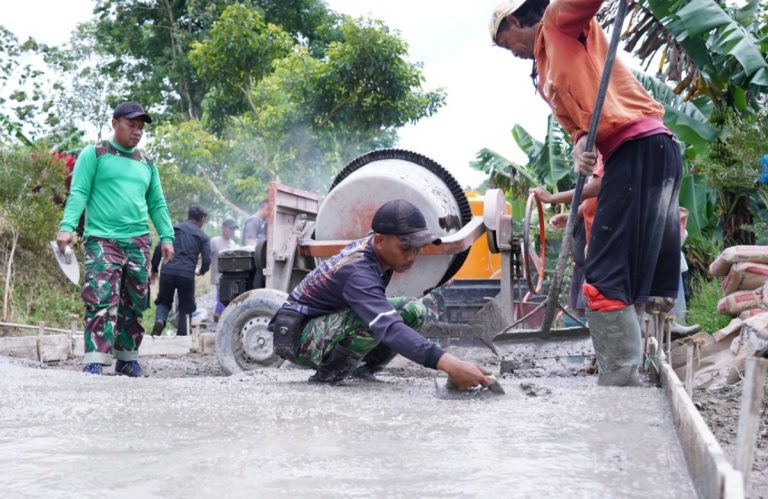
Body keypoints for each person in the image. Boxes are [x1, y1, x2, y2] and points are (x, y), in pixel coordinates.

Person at [491, 0, 682, 386]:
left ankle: (618, 385)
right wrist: (580, 145)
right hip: (639, 151)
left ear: (514, 21)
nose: (511, 53)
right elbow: (580, 124)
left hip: (638, 145)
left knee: (605, 278)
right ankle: (634, 374)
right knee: (627, 277)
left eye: (506, 43)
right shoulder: (544, 68)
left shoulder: (558, 22)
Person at [269, 199, 491, 389]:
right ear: (380, 240)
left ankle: (362, 371)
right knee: (376, 322)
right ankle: (327, 378)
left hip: (323, 324)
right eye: (406, 248)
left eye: (418, 248)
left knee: (413, 310)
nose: (412, 256)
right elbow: (388, 327)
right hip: (297, 335)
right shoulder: (358, 271)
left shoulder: (377, 253)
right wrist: (451, 365)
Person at [56, 100, 174, 377]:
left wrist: (167, 236)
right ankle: (95, 360)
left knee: (135, 301)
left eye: (141, 127)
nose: (137, 131)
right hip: (102, 239)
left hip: (138, 242)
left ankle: (127, 358)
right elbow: (79, 192)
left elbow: (157, 203)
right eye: (131, 125)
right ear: (115, 124)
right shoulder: (95, 154)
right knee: (100, 299)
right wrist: (67, 226)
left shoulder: (147, 163)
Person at [531, 162, 603, 325]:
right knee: (578, 310)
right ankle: (578, 334)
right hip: (582, 262)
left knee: (594, 310)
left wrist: (551, 198)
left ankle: (589, 336)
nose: (576, 159)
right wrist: (572, 215)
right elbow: (590, 200)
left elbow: (596, 189)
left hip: (597, 260)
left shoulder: (604, 169)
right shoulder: (587, 179)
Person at [151, 206, 211, 337]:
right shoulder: (202, 236)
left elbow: (159, 247)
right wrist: (201, 271)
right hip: (187, 274)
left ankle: (160, 320)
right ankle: (182, 336)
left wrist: (154, 269)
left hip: (168, 270)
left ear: (188, 216)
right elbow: (207, 259)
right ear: (202, 220)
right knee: (186, 306)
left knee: (164, 301)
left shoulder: (173, 229)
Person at [210, 218, 239, 322]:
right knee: (221, 295)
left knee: (227, 296)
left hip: (230, 275)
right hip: (218, 275)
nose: (232, 232)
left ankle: (221, 316)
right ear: (223, 228)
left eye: (234, 230)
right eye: (230, 229)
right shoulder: (214, 241)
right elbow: (206, 255)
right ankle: (218, 315)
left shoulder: (233, 243)